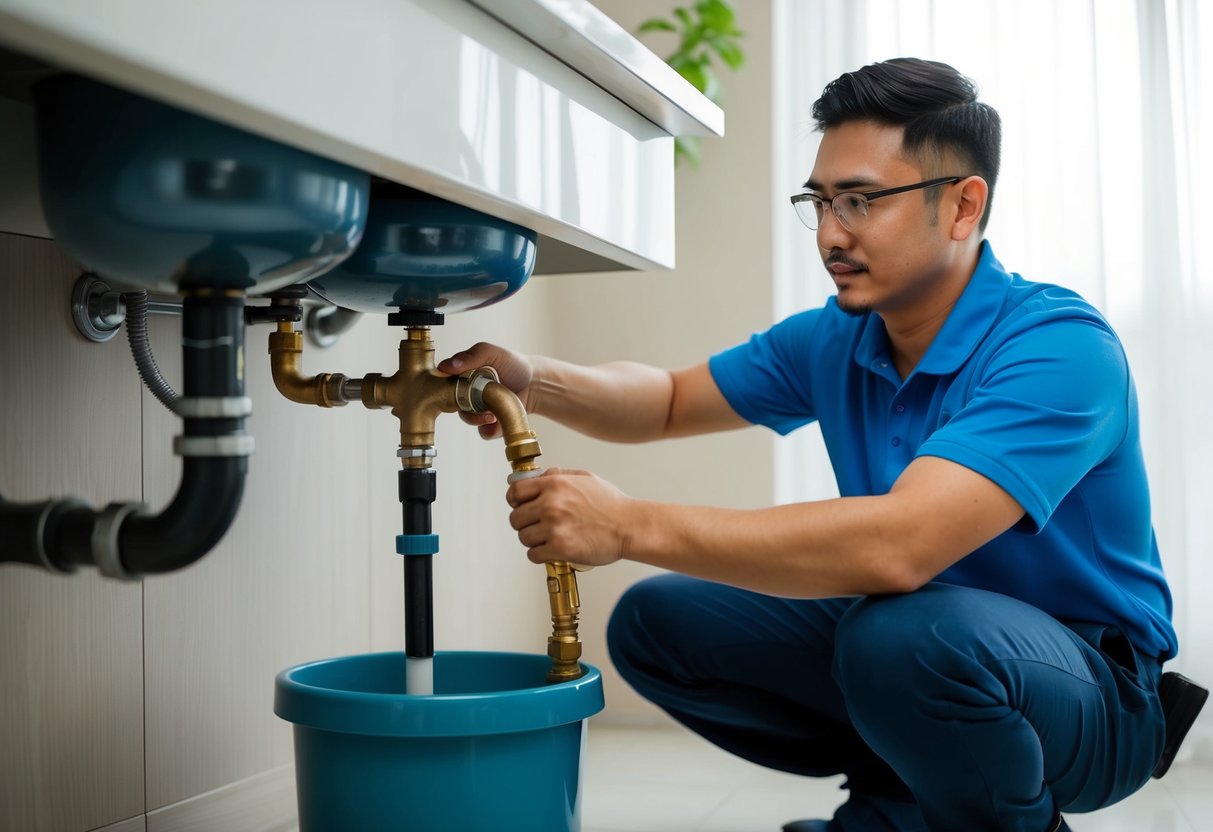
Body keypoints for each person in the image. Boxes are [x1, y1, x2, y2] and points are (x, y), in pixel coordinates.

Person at [438, 57, 1175, 832]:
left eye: (859, 201)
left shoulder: (1057, 347)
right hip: (927, 644)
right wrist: (531, 377)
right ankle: (898, 805)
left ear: (962, 206)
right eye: (818, 202)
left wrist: (627, 526)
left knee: (899, 638)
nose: (829, 234)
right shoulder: (840, 336)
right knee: (659, 624)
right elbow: (665, 401)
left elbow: (899, 547)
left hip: (1095, 691)